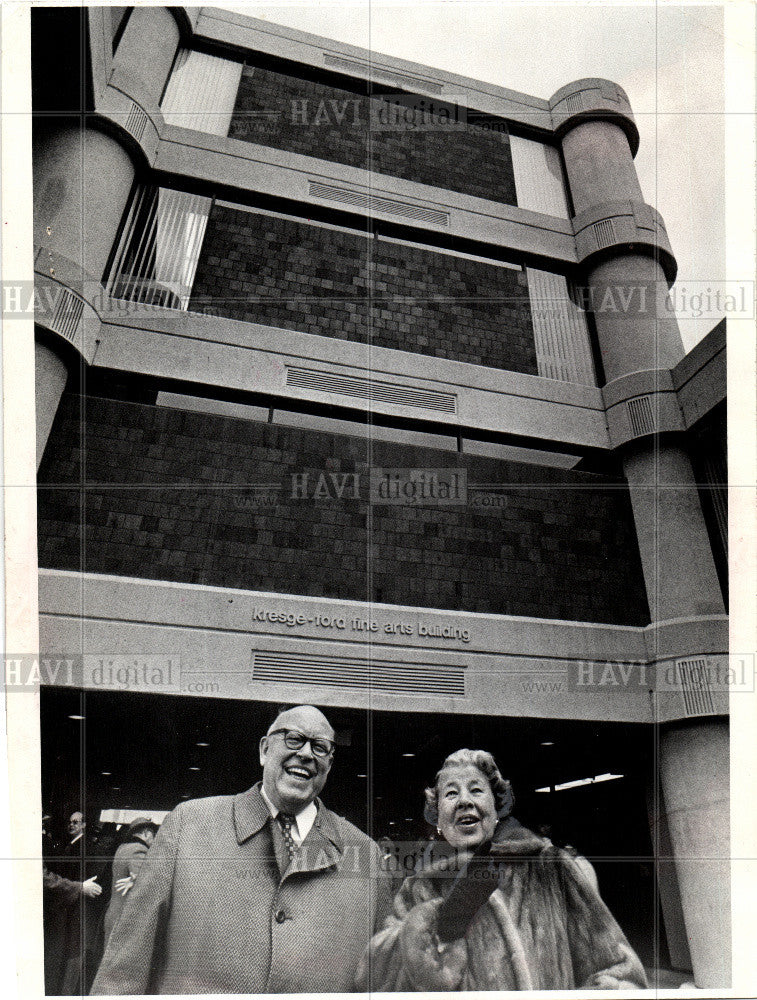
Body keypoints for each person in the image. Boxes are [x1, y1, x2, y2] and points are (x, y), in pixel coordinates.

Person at [91, 705, 392, 994]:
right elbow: (124, 970)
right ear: (264, 750)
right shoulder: (188, 825)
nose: (305, 754)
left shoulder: (366, 856)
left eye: (320, 747)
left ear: (330, 762)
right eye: (294, 739)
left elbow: (383, 983)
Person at [356, 749, 648, 992]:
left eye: (476, 790)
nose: (465, 801)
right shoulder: (418, 888)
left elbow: (619, 971)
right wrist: (437, 924)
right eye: (451, 794)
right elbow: (376, 979)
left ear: (497, 809)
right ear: (438, 818)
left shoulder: (550, 869)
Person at [102, 817, 159, 947]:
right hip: (127, 920)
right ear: (146, 833)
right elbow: (145, 885)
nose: (154, 839)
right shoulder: (139, 850)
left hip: (115, 915)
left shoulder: (122, 848)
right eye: (153, 835)